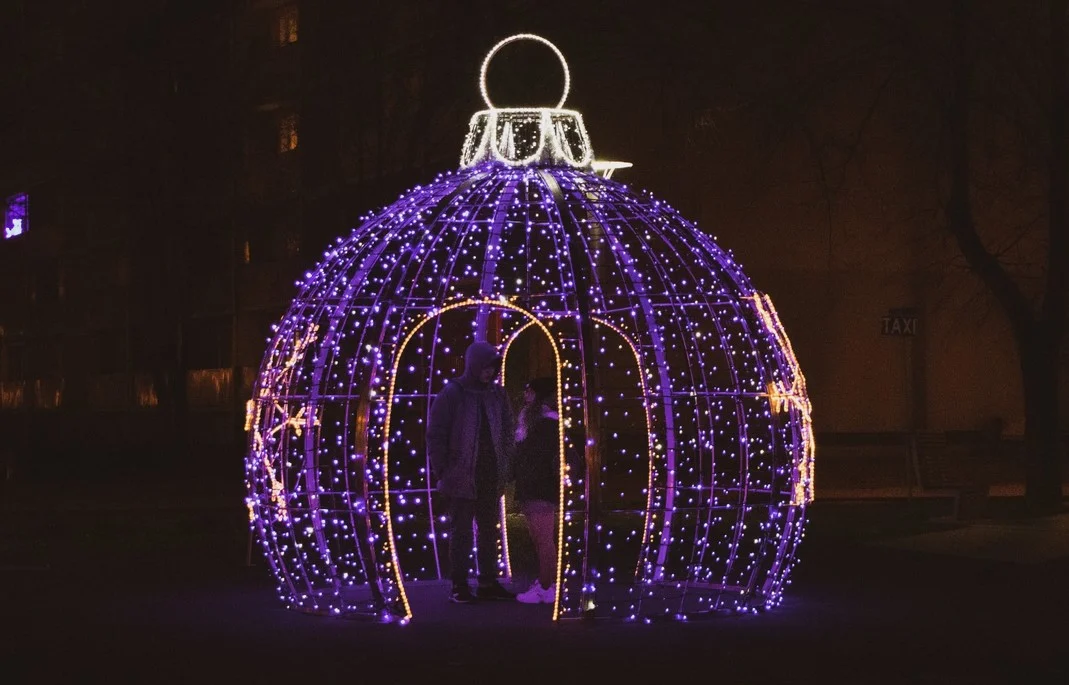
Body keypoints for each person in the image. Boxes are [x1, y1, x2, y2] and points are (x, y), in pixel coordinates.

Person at [426, 340, 516, 604]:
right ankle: (459, 584)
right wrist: (442, 468)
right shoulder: (454, 392)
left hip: (490, 472)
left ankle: (487, 581)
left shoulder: (497, 395)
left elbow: (507, 430)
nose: (489, 372)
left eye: (493, 368)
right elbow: (436, 433)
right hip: (461, 472)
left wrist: (505, 465)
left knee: (489, 529)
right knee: (462, 530)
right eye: (486, 367)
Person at [512, 376, 560, 604]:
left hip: (539, 487)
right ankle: (545, 581)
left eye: (529, 390)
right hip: (531, 486)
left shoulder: (547, 423)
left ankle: (546, 586)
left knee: (544, 539)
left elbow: (536, 458)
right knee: (539, 538)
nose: (525, 395)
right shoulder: (533, 421)